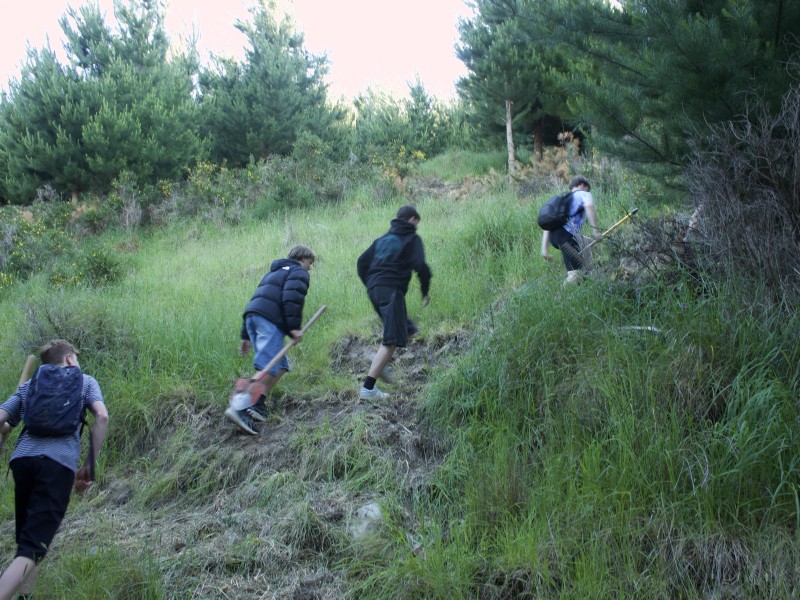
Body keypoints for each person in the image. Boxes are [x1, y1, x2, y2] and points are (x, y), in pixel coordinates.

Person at [0, 340, 109, 600]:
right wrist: (88, 467)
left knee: (29, 542)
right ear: (70, 359)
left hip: (23, 462)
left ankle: (26, 597)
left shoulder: (30, 386)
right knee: (33, 547)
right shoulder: (85, 381)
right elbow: (102, 417)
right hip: (57, 466)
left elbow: (2, 420)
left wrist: (3, 436)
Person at [226, 244, 316, 435]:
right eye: (310, 263)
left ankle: (257, 403)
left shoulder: (272, 274)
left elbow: (256, 301)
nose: (310, 268)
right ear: (302, 258)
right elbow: (291, 299)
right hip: (269, 321)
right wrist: (293, 329)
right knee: (267, 366)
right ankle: (239, 408)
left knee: (280, 365)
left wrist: (246, 335)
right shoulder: (299, 272)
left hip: (254, 318)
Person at [357, 205, 432, 400]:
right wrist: (425, 292)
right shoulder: (412, 238)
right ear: (413, 219)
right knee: (390, 341)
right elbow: (421, 267)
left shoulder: (382, 240)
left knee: (406, 329)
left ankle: (381, 363)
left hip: (374, 290)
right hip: (391, 290)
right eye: (417, 222)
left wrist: (373, 282)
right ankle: (368, 388)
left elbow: (361, 262)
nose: (417, 226)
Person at [541, 175, 602, 284]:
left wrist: (544, 249)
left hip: (555, 237)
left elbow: (548, 226)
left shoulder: (563, 199)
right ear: (583, 185)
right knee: (575, 275)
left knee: (589, 242)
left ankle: (591, 271)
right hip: (566, 238)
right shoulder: (584, 194)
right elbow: (589, 207)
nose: (588, 191)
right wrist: (595, 231)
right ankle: (561, 297)